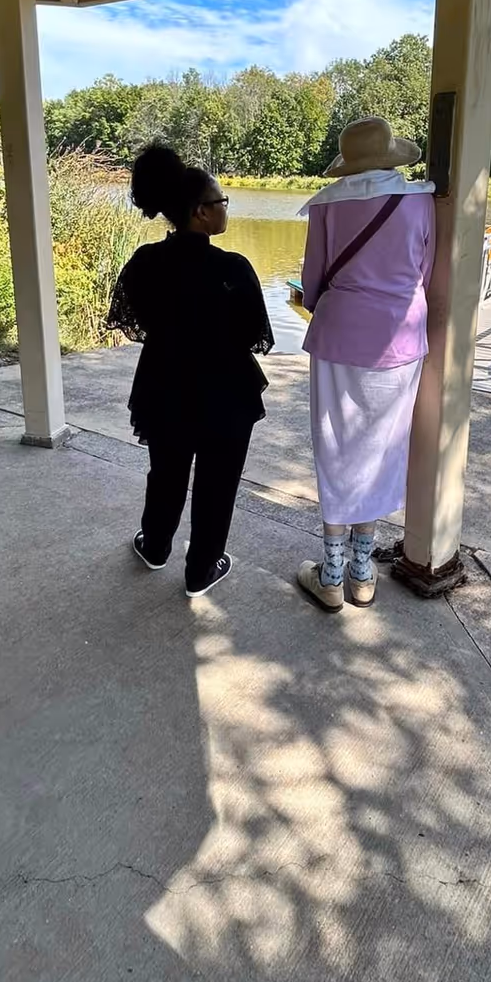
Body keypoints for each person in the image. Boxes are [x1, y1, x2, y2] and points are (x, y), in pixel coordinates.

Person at [106, 144, 273, 598]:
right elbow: (256, 337)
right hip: (225, 395)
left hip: (164, 387)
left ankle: (156, 547)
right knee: (217, 485)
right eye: (221, 202)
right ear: (200, 212)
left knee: (166, 472)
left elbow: (132, 322)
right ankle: (200, 569)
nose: (225, 209)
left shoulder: (144, 262)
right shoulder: (233, 268)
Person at [297, 117, 435, 613]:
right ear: (391, 157)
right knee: (383, 447)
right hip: (401, 338)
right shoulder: (418, 200)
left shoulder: (327, 205)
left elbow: (313, 280)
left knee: (336, 446)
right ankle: (362, 572)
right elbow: (424, 270)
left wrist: (335, 305)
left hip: (339, 335)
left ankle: (330, 574)